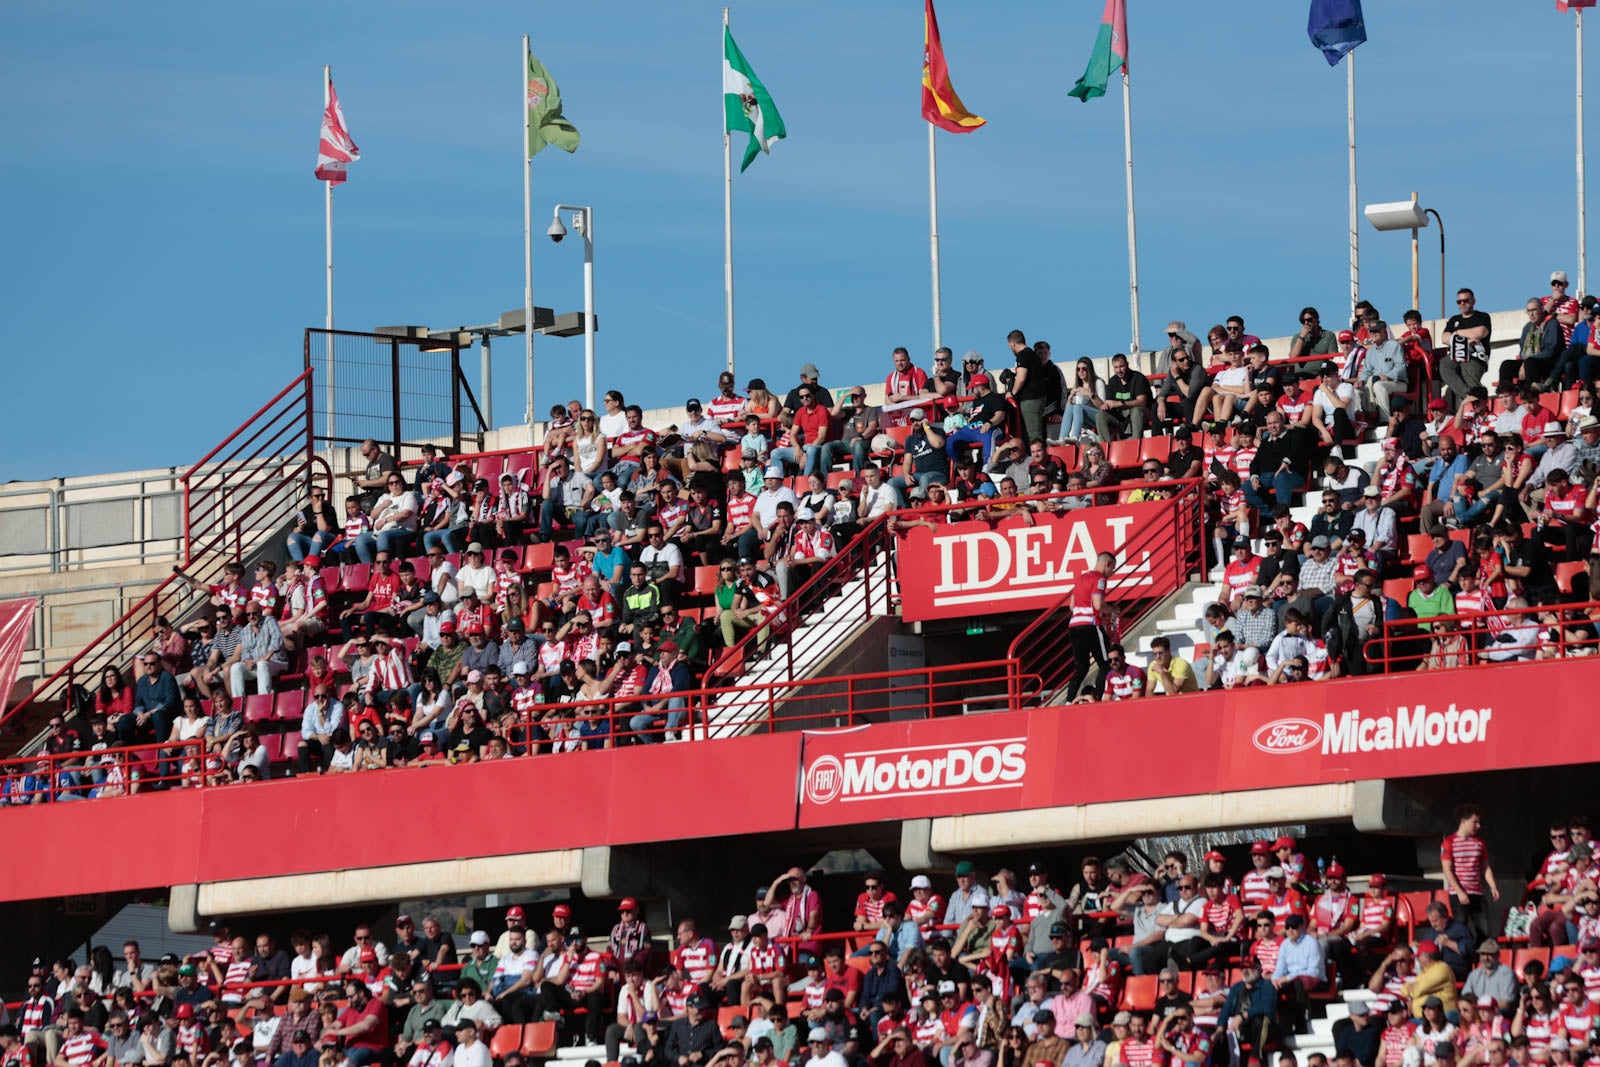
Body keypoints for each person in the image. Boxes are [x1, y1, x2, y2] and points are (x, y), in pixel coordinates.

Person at [1443, 804, 1501, 944]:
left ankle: (1482, 959)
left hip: (1477, 893)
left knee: (1483, 930)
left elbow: (1485, 867)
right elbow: (1447, 870)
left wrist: (1493, 886)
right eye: (1474, 822)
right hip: (1459, 895)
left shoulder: (1480, 843)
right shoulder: (1449, 842)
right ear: (1464, 821)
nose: (1478, 826)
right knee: (1461, 930)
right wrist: (1459, 892)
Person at [1064, 553, 1113, 702]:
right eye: (1112, 569)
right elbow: (1098, 605)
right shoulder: (1099, 579)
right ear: (1107, 564)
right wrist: (1113, 610)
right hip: (1091, 625)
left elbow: (1071, 606)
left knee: (1081, 668)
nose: (1112, 573)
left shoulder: (1079, 579)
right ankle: (1097, 700)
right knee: (1105, 664)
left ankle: (1068, 701)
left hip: (1074, 626)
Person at [1442, 290, 1494, 404]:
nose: (1462, 303)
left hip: (1476, 356)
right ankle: (1469, 396)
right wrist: (1468, 339)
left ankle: (1480, 404)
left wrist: (1457, 333)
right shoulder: (1454, 319)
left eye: (1466, 300)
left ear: (1473, 301)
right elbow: (1444, 338)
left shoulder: (1482, 316)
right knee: (1444, 365)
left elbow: (1481, 332)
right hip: (1456, 354)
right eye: (1459, 301)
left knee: (1467, 371)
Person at [1094, 354, 1152, 442]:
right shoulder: (1113, 381)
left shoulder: (1138, 378)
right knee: (1100, 416)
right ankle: (1105, 447)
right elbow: (1109, 402)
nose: (1119, 370)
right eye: (1116, 367)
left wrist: (1120, 404)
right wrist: (1106, 405)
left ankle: (1135, 442)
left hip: (1141, 413)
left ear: (1127, 365)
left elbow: (1142, 401)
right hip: (1120, 415)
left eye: (1121, 366)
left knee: (1136, 411)